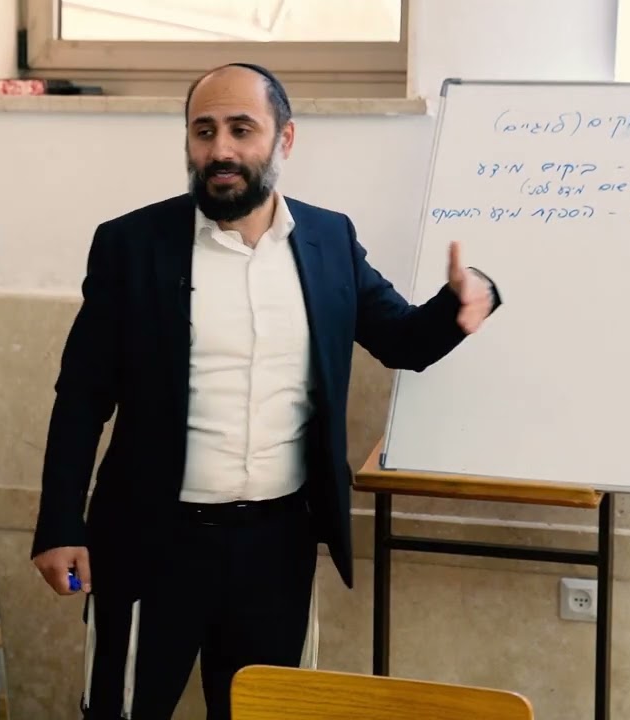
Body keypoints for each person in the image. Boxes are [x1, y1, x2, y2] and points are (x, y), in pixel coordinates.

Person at [31, 62, 501, 720]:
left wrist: (466, 300)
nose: (220, 149)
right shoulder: (131, 246)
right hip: (150, 545)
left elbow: (402, 341)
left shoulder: (329, 240)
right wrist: (59, 524)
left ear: (285, 139)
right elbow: (82, 396)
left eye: (241, 129)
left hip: (277, 549)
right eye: (204, 131)